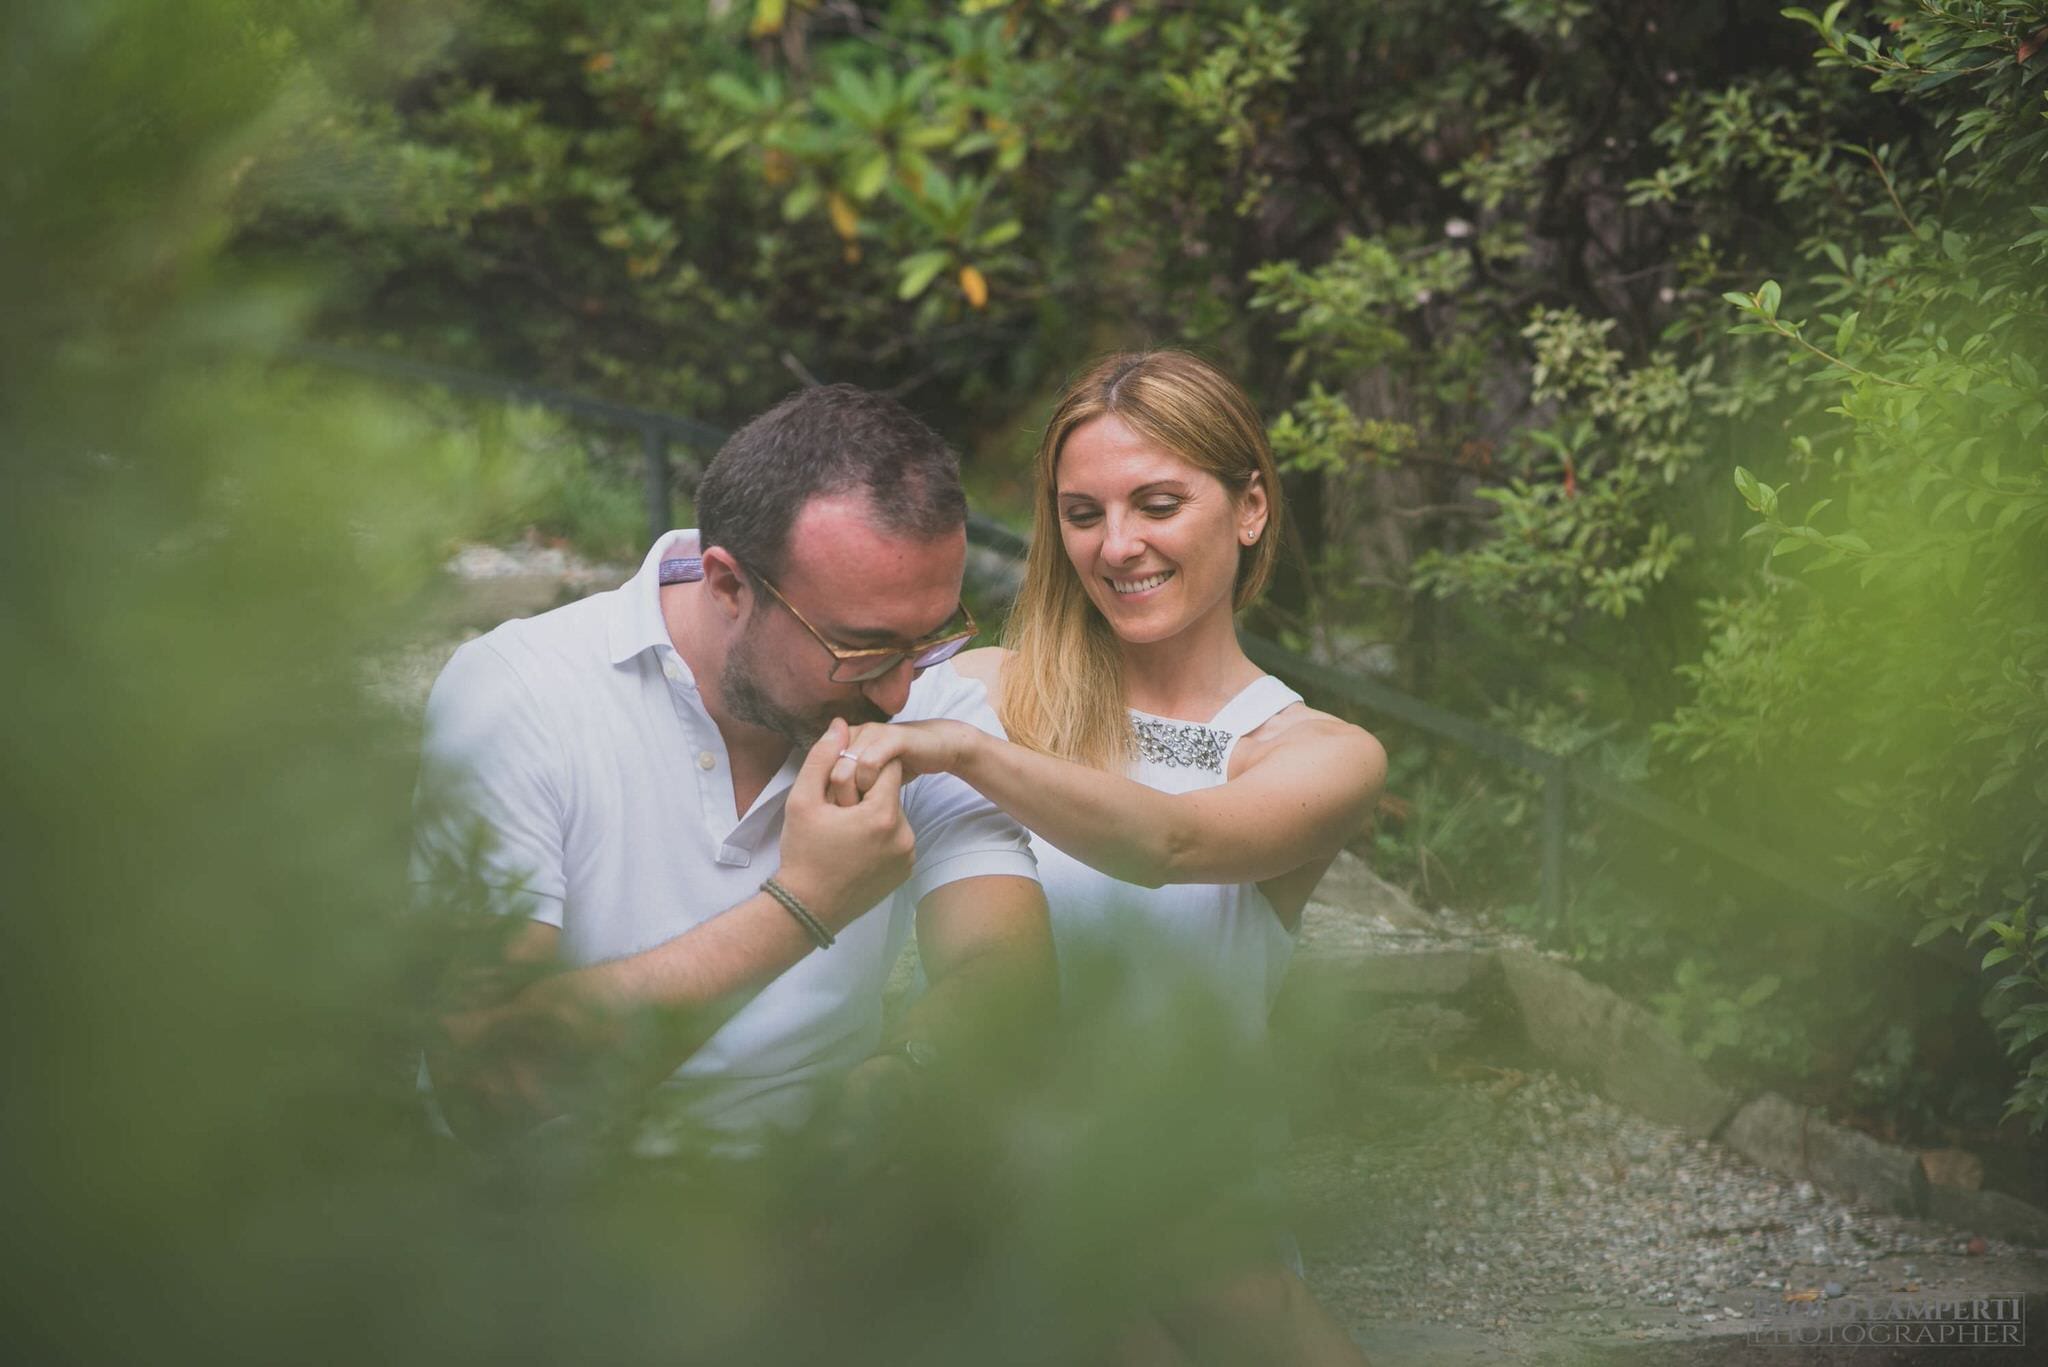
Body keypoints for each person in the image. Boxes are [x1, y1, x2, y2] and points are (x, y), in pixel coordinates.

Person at [830, 350, 1385, 1364]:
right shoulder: (981, 688)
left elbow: (1168, 842)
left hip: (1198, 1231)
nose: (1116, 544)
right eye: (1081, 513)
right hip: (980, 1216)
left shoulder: (1315, 754)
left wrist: (964, 751)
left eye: (1157, 503)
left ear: (1248, 507)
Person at [412, 383, 1056, 1150]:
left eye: (931, 637)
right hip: (555, 1206)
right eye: (861, 649)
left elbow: (1003, 974)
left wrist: (896, 1084)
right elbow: (490, 1080)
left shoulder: (925, 692)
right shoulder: (521, 692)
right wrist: (805, 903)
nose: (899, 687)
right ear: (727, 585)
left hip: (815, 1194)